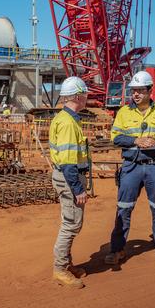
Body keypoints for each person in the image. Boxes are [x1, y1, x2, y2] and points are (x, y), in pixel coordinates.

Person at [105, 71, 155, 269]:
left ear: (150, 91)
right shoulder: (124, 112)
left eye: (140, 90)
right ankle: (117, 250)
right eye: (134, 91)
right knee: (123, 208)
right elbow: (116, 137)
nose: (136, 94)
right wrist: (135, 141)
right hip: (131, 167)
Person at [49, 76, 91, 289]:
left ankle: (67, 262)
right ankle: (60, 268)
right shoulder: (67, 123)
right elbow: (67, 162)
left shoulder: (66, 118)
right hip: (69, 179)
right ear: (76, 96)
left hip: (67, 177)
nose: (86, 98)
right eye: (84, 94)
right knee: (71, 224)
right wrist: (77, 188)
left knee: (71, 221)